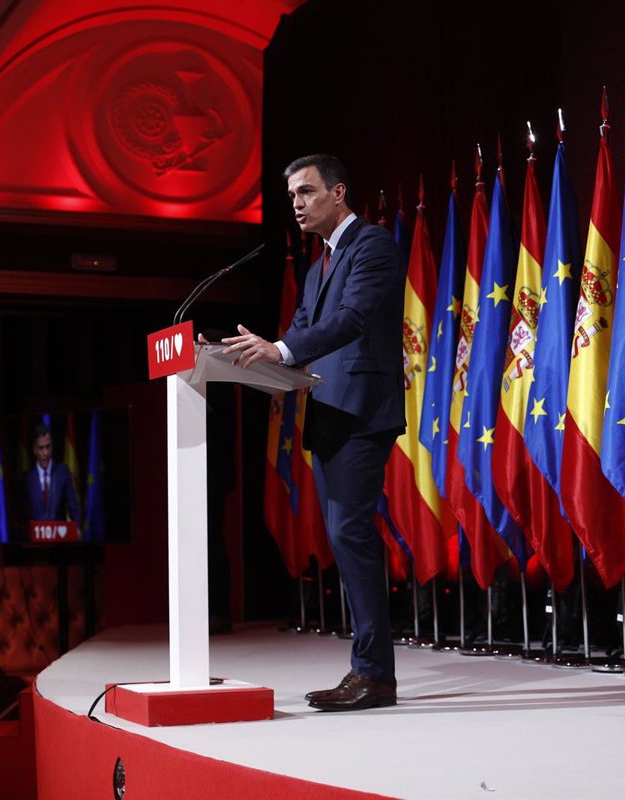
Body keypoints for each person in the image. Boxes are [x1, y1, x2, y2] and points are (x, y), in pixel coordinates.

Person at [222, 154, 406, 711]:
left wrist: (279, 349)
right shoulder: (318, 263)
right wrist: (245, 357)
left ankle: (374, 674)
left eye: (306, 192)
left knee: (351, 534)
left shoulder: (371, 246)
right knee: (345, 538)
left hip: (360, 413)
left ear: (339, 191)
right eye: (292, 197)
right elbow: (301, 332)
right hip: (327, 413)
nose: (297, 204)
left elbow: (351, 319)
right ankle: (370, 668)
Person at [21, 424, 80, 522]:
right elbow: (21, 515)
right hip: (35, 531)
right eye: (41, 448)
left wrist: (77, 527)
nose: (45, 453)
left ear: (52, 446)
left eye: (48, 447)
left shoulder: (63, 472)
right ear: (35, 449)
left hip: (59, 530)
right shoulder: (27, 478)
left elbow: (74, 509)